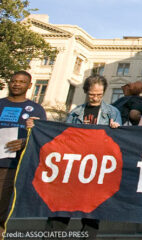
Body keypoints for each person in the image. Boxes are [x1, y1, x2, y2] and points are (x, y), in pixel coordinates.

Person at [45, 75, 120, 238]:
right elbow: (63, 137)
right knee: (62, 206)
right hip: (75, 165)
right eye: (92, 94)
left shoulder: (113, 112)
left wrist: (116, 129)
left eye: (99, 95)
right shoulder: (76, 112)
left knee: (92, 213)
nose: (95, 98)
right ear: (86, 92)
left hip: (98, 166)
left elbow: (118, 142)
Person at [0, 71, 46, 231]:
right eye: (13, 81)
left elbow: (43, 138)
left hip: (12, 165)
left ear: (29, 85)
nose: (16, 84)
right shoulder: (0, 104)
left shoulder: (36, 110)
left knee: (2, 204)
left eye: (21, 81)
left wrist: (25, 142)